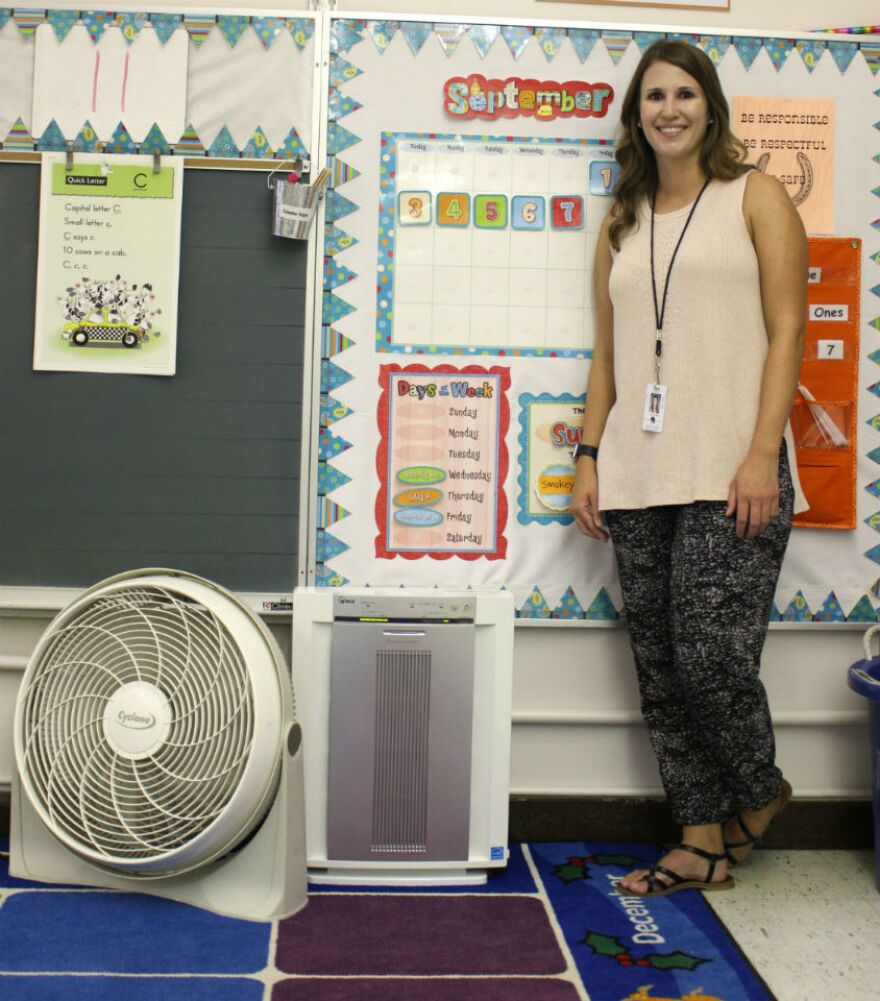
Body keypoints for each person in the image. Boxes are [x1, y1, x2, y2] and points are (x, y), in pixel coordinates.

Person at [570, 40, 808, 897]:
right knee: (662, 668)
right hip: (636, 470)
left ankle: (762, 791)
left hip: (730, 466)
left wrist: (759, 454)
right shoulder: (621, 221)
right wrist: (590, 456)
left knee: (711, 656)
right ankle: (700, 838)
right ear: (637, 115)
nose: (669, 108)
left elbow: (789, 333)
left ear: (710, 106)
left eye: (685, 93)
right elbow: (608, 357)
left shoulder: (758, 196)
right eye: (653, 96)